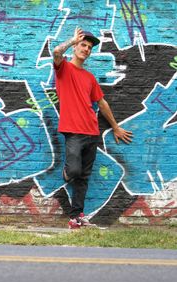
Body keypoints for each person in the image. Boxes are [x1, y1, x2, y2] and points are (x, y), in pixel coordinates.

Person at [52, 27, 133, 229]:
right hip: (73, 131)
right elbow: (56, 53)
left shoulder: (89, 77)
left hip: (92, 132)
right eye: (83, 45)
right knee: (74, 170)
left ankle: (76, 217)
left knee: (84, 178)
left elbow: (102, 103)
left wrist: (115, 127)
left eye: (89, 47)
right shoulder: (63, 69)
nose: (86, 49)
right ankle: (67, 173)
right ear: (75, 47)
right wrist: (72, 40)